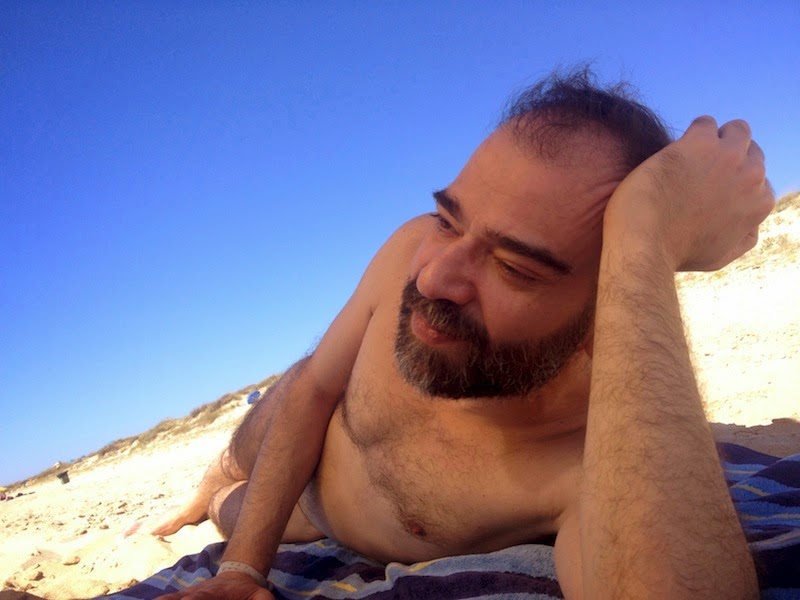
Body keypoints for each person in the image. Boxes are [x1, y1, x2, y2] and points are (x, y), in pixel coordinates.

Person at [157, 69, 774, 600]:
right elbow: (317, 387)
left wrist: (646, 237)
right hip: (298, 436)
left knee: (224, 509)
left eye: (515, 268)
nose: (432, 277)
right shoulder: (409, 247)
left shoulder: (595, 454)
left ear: (604, 307)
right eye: (448, 221)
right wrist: (242, 568)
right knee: (271, 414)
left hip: (305, 516)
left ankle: (211, 496)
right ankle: (214, 473)